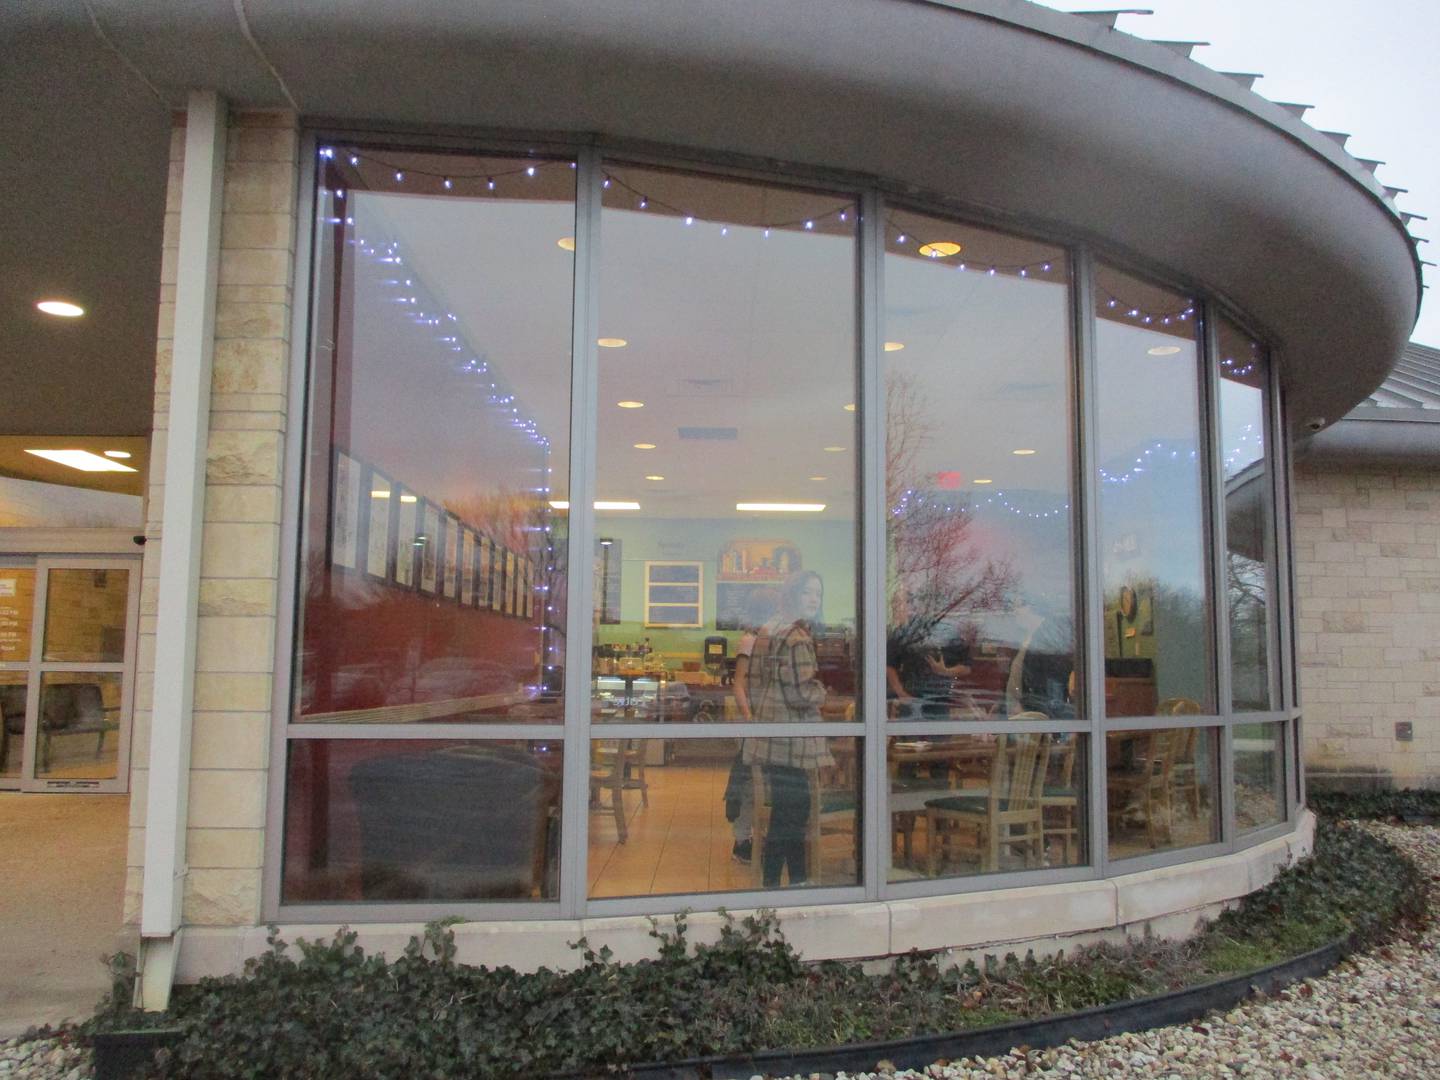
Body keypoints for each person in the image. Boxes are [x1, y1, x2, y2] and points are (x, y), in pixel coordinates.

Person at [742, 570, 834, 887]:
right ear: (794, 594)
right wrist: (823, 693)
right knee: (793, 814)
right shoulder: (797, 638)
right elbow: (801, 694)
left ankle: (796, 880)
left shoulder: (768, 631)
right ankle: (774, 884)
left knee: (787, 810)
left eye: (818, 594)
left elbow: (753, 684)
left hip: (769, 737)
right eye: (808, 592)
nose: (813, 599)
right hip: (792, 740)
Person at [724, 588, 779, 864]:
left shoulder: (774, 640)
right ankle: (742, 838)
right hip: (755, 721)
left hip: (769, 720)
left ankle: (760, 835)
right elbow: (739, 684)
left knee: (766, 781)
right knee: (750, 781)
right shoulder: (749, 640)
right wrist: (749, 718)